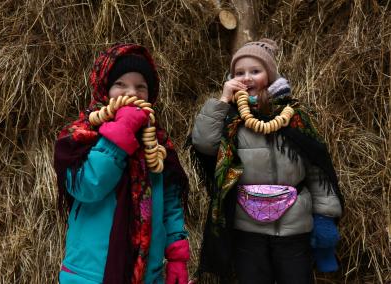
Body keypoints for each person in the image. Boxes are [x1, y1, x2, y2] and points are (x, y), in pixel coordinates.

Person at [191, 39, 344, 283]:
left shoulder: (294, 116)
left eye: (255, 71)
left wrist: (324, 216)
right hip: (247, 226)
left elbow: (317, 169)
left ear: (270, 75)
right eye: (239, 73)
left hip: (294, 225)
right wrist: (222, 100)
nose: (247, 77)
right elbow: (203, 143)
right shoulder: (231, 118)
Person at [54, 43, 190, 284]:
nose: (132, 93)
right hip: (92, 275)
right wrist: (120, 134)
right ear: (104, 88)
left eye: (141, 87)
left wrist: (177, 255)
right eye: (121, 84)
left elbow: (170, 200)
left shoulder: (156, 142)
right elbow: (87, 186)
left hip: (148, 274)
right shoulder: (79, 136)